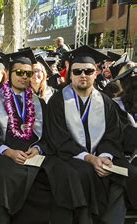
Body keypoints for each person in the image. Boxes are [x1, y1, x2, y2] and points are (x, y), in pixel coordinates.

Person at [0, 49, 86, 224]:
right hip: (5, 156)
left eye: (28, 73)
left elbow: (49, 135)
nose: (24, 77)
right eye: (19, 72)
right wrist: (8, 152)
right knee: (4, 176)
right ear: (8, 73)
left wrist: (38, 149)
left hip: (35, 157)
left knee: (64, 172)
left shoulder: (40, 103)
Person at [46, 45, 133, 224]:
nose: (83, 75)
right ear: (70, 74)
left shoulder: (106, 103)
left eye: (88, 70)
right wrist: (89, 158)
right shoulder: (57, 101)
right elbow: (58, 138)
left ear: (96, 73)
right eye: (77, 71)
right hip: (67, 157)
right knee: (83, 173)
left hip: (101, 157)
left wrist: (105, 156)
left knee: (127, 174)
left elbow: (112, 136)